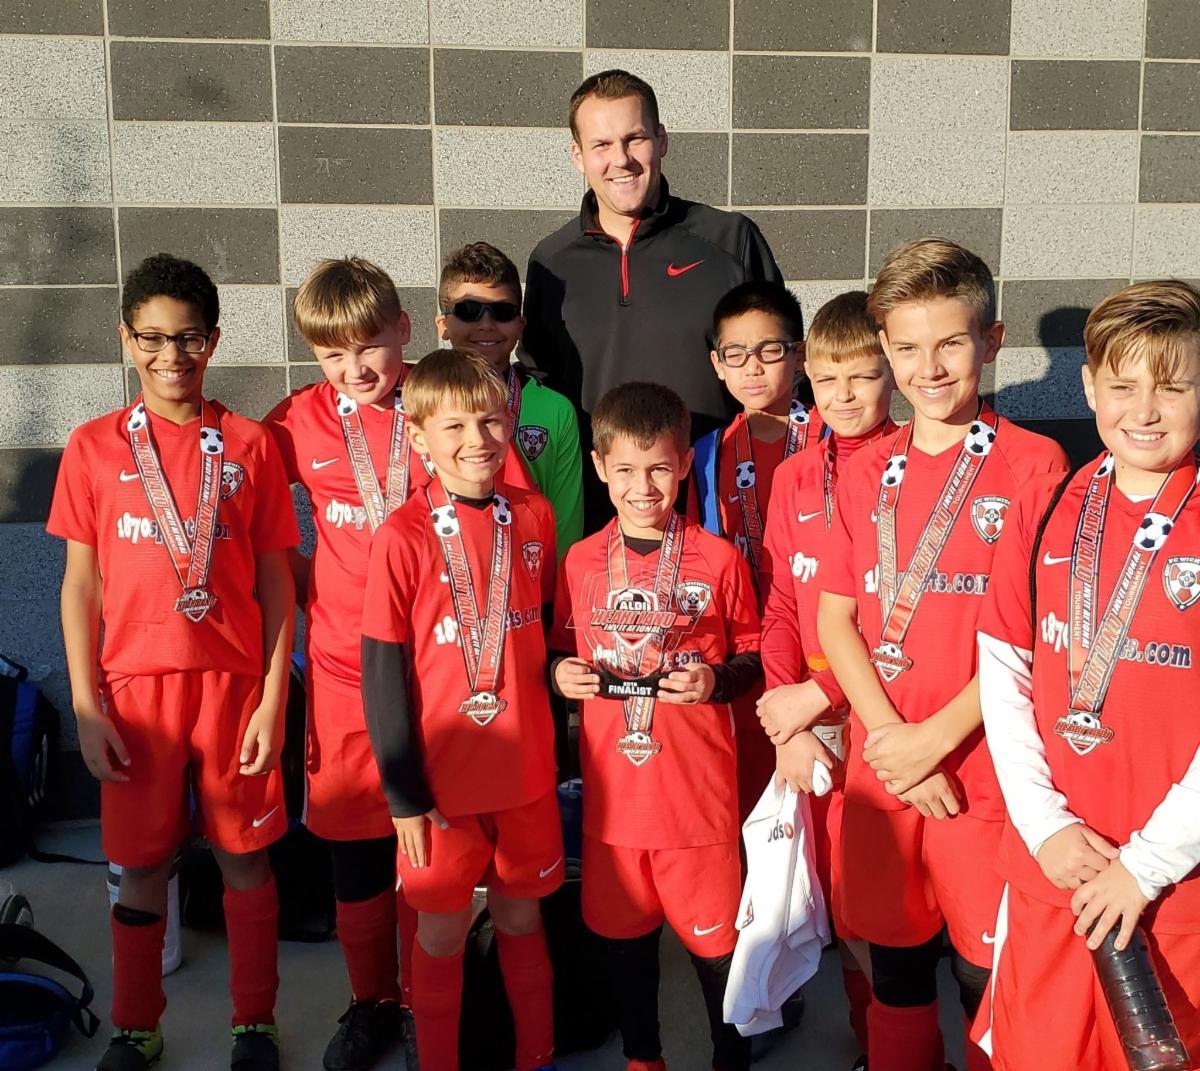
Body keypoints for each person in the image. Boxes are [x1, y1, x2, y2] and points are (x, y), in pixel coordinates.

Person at [817, 239, 1069, 1071]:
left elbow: (1031, 637)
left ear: (991, 341)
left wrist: (933, 741)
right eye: (908, 347)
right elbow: (836, 621)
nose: (929, 367)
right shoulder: (866, 468)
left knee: (982, 975)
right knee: (894, 972)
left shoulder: (1035, 464)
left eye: (951, 343)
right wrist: (896, 743)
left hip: (980, 774)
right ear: (885, 349)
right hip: (884, 769)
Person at [49, 254, 297, 1071]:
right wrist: (86, 705)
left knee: (245, 857)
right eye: (152, 338)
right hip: (134, 695)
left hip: (232, 689)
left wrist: (272, 702)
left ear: (213, 340)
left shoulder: (253, 444)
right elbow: (80, 584)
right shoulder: (91, 446)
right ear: (127, 339)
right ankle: (136, 1025)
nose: (171, 355)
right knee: (143, 865)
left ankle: (254, 1022)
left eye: (188, 337)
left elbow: (276, 584)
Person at [974, 280, 1200, 1069]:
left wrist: (1146, 865)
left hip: (1175, 890)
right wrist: (1044, 825)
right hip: (1055, 874)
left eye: (1173, 386)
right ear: (1089, 386)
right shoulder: (1045, 504)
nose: (1145, 410)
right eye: (1123, 385)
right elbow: (1003, 672)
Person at [360, 349, 562, 1071]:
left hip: (525, 777)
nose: (477, 439)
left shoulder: (533, 516)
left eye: (491, 420)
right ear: (418, 437)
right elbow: (382, 675)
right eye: (454, 426)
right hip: (440, 790)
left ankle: (536, 1056)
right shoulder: (401, 537)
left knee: (521, 919)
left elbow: (543, 639)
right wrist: (404, 796)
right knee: (441, 934)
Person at [551, 382, 761, 1071]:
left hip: (696, 802)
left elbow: (754, 655)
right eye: (625, 470)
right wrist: (559, 674)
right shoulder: (581, 560)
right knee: (626, 945)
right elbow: (559, 649)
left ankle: (731, 1058)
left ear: (684, 463)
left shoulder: (719, 559)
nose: (643, 487)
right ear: (598, 466)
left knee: (717, 951)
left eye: (660, 468)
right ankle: (644, 1058)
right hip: (616, 804)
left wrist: (715, 681)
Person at [262, 257, 424, 1071]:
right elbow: (243, 505)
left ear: (404, 329)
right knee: (356, 847)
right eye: (332, 354)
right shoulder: (297, 419)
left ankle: (428, 997)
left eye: (369, 346)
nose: (355, 368)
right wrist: (300, 576)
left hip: (435, 669)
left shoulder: (443, 403)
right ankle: (372, 1002)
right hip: (340, 669)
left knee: (430, 848)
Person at [521, 69, 783, 528]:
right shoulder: (552, 262)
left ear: (661, 140)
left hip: (716, 514)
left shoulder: (729, 240)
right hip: (599, 528)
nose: (620, 160)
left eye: (635, 138)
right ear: (578, 156)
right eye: (601, 145)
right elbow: (542, 395)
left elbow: (782, 372)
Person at [761, 290, 897, 1070]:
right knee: (836, 900)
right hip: (810, 724)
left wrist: (822, 696)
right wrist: (788, 720)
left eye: (864, 376)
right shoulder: (794, 474)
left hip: (880, 713)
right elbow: (784, 601)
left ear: (892, 375)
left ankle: (899, 1048)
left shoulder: (913, 468)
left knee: (874, 906)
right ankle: (869, 1041)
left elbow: (904, 625)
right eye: (829, 377)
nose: (844, 395)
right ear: (807, 372)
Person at [689, 280, 822, 820]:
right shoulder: (706, 454)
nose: (753, 368)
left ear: (800, 354)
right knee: (750, 805)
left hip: (819, 649)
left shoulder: (832, 439)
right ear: (716, 365)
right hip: (744, 652)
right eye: (736, 354)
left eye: (770, 350)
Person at [436, 241, 584, 557]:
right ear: (443, 325)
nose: (486, 324)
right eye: (468, 311)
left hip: (530, 579)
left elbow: (566, 530)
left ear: (521, 325)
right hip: (443, 576)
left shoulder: (555, 411)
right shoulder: (420, 404)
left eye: (503, 312)